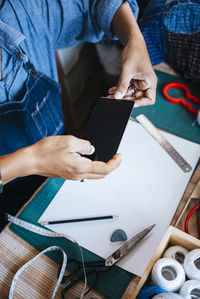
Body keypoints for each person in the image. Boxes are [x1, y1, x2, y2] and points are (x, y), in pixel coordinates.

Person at [0, 0, 157, 228]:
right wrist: (31, 161)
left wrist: (134, 38)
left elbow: (93, 4)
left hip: (61, 164)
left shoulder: (17, 8)